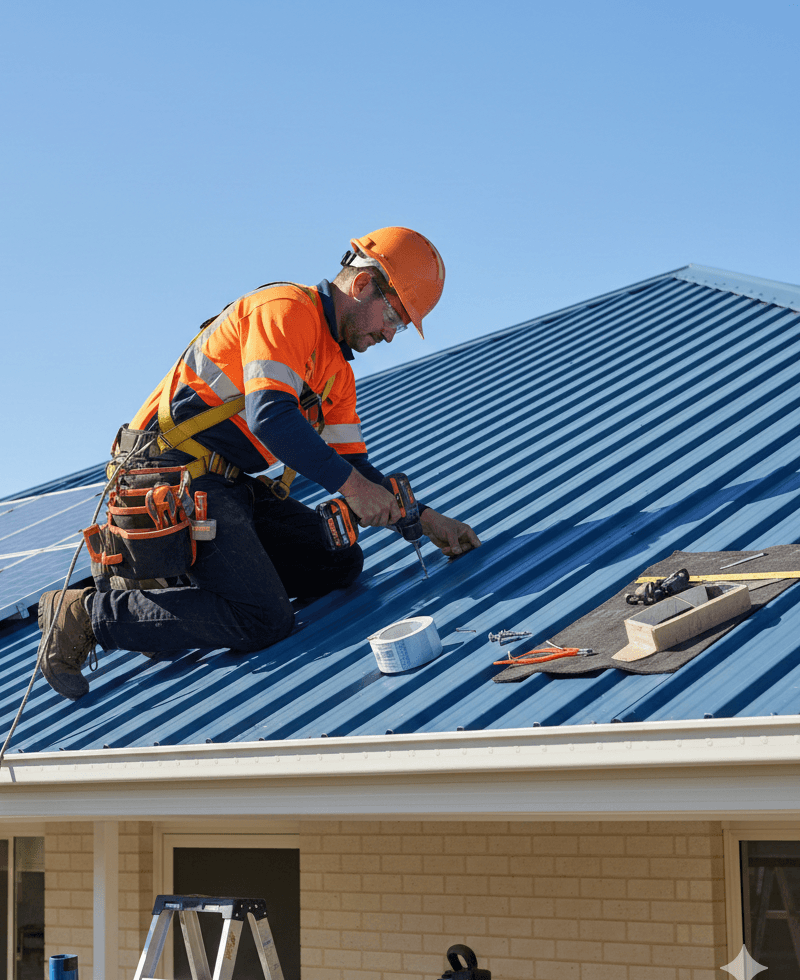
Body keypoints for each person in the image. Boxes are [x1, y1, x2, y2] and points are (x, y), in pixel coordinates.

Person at [37, 227, 481, 699]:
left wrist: (426, 519)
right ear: (363, 284)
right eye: (393, 315)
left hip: (222, 485)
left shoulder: (336, 372)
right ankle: (86, 615)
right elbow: (272, 418)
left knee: (339, 561)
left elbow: (356, 467)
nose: (390, 334)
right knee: (263, 619)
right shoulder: (285, 310)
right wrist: (354, 488)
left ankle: (181, 579)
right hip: (169, 477)